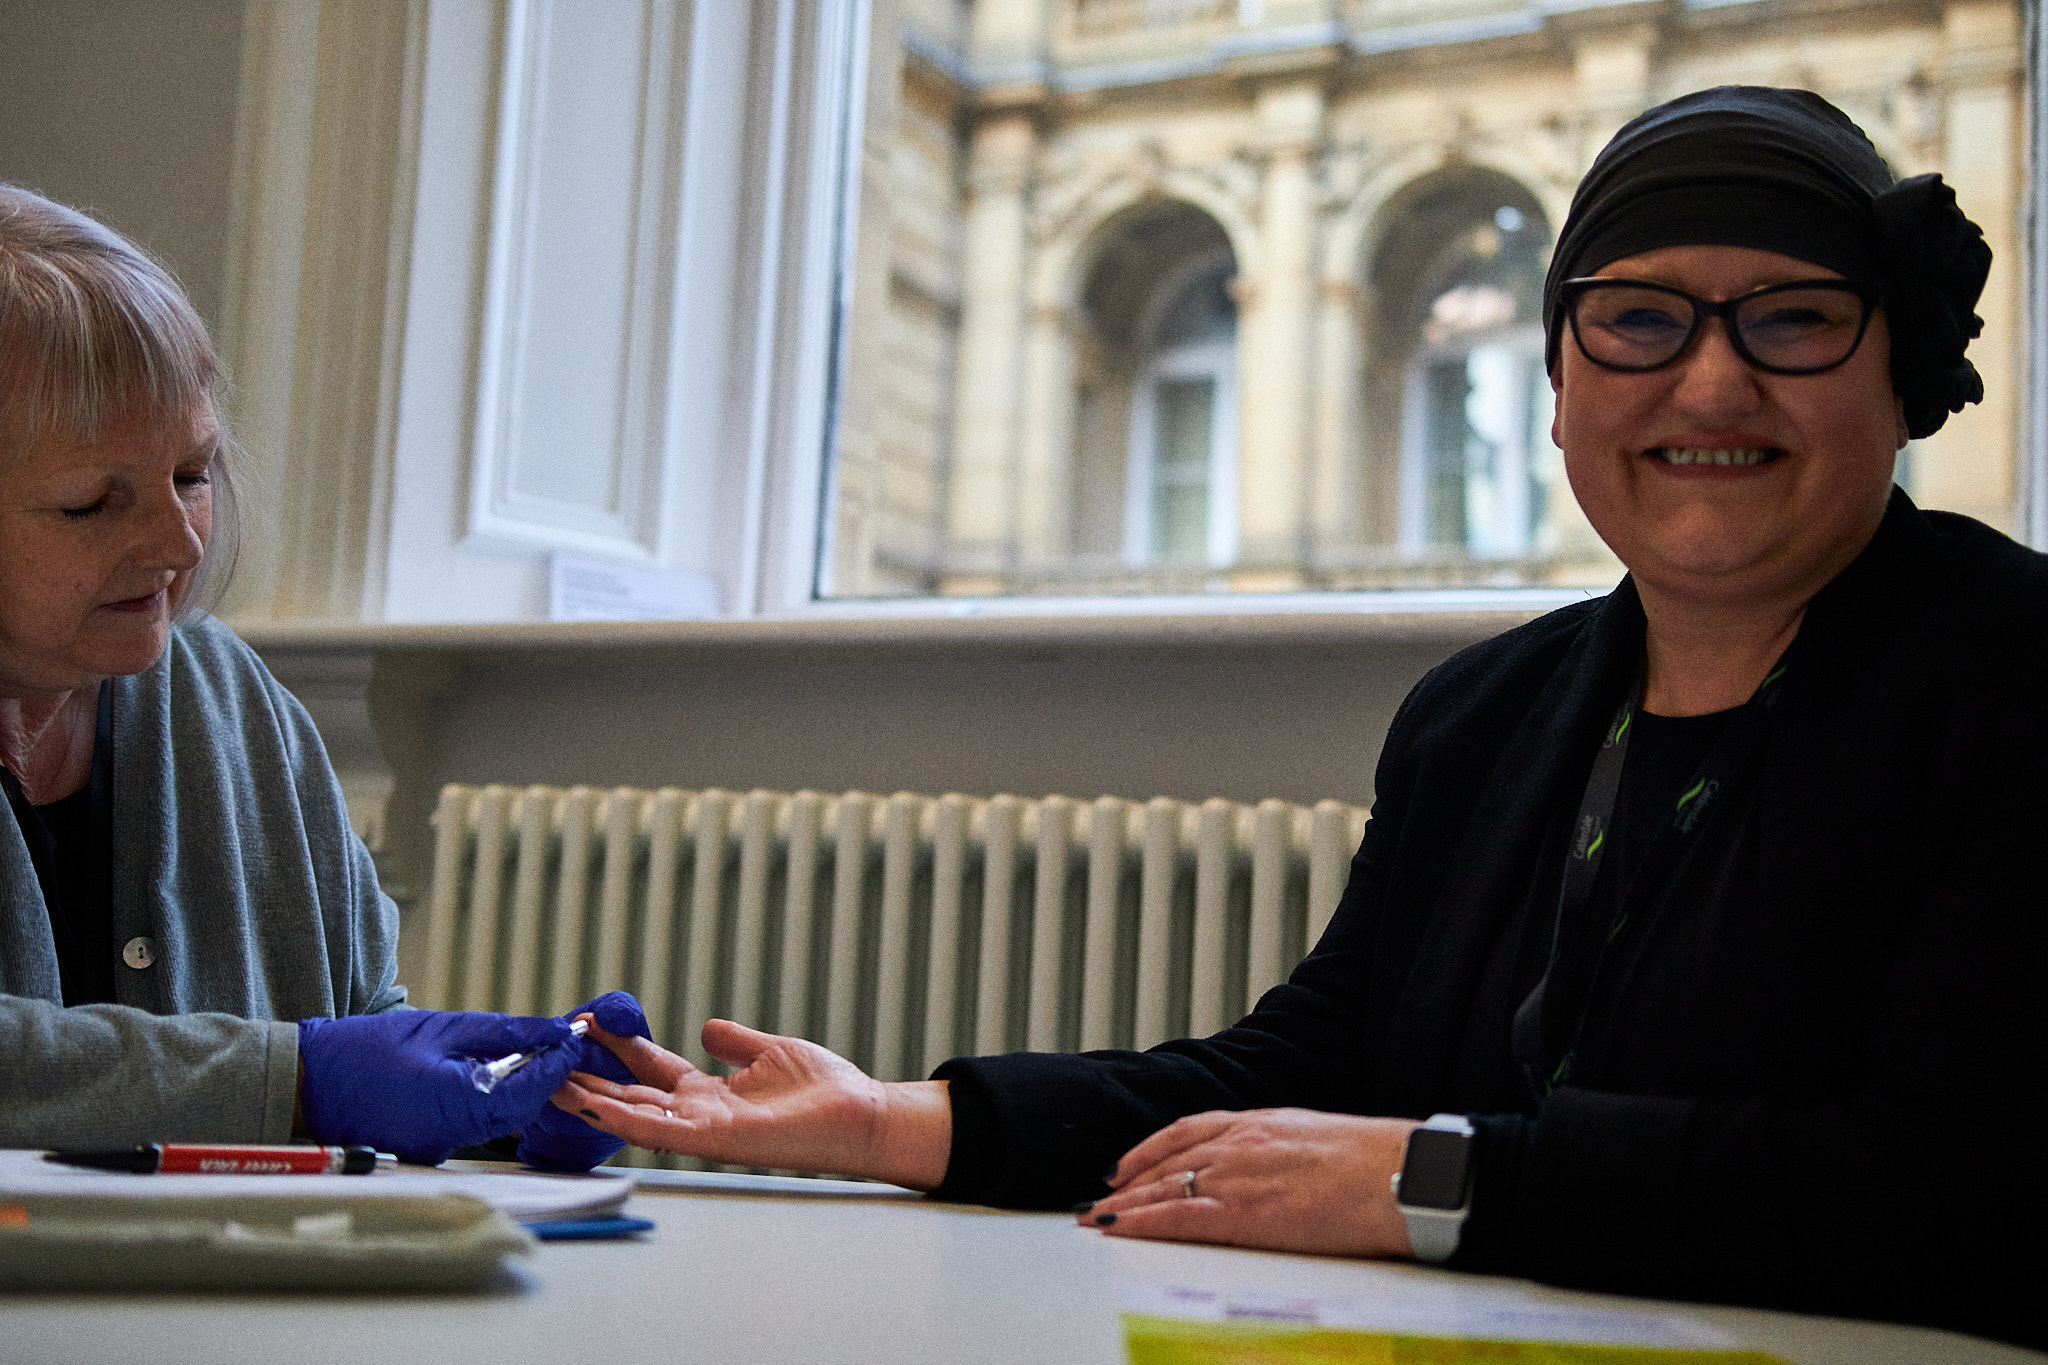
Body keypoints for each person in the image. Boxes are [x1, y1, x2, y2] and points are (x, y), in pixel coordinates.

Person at [557, 87, 2045, 1346]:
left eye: (1792, 320)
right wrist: (895, 1124)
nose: (1709, 379)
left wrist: (1439, 1183)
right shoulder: (1484, 714)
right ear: (1560, 379)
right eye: (1638, 320)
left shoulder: (2017, 676)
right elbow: (1304, 1078)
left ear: (1903, 374)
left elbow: (1965, 1191)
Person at [0, 183, 647, 1170]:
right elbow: (310, 1069)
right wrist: (296, 1081)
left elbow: (358, 1021)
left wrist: (495, 1104)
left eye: (193, 474)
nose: (177, 543)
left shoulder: (234, 704)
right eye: (93, 503)